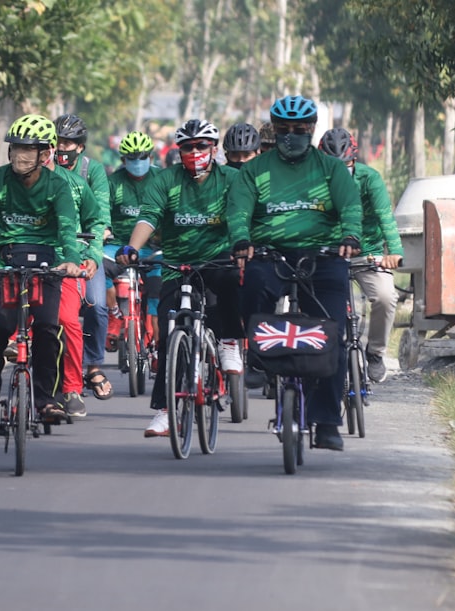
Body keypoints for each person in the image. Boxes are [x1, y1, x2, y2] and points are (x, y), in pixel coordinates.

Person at [227, 95, 363, 452]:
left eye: (299, 130)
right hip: (271, 253)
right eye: (284, 130)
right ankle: (258, 356)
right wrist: (241, 239)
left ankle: (327, 421)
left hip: (324, 255)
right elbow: (239, 210)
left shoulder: (331, 169)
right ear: (274, 129)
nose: (291, 135)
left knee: (332, 331)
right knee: (251, 283)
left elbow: (350, 205)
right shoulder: (255, 170)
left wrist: (350, 235)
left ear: (311, 130)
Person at [116, 119, 244, 438]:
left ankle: (228, 343)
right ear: (179, 150)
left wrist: (244, 245)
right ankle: (164, 410)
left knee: (228, 290)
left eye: (202, 146)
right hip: (176, 263)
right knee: (166, 335)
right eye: (188, 147)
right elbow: (150, 216)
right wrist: (132, 247)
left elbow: (242, 214)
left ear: (214, 149)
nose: (195, 152)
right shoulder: (166, 179)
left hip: (217, 258)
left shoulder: (231, 178)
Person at [0, 114, 82, 424]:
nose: (20, 155)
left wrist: (70, 259)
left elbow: (69, 226)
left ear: (46, 154)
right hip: (3, 261)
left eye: (29, 149)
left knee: (46, 329)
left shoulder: (58, 184)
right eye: (16, 148)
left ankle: (45, 399)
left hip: (46, 264)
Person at [318, 128, 403, 383]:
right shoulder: (313, 183)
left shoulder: (369, 179)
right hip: (328, 253)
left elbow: (385, 217)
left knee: (386, 297)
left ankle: (375, 353)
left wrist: (395, 252)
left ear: (354, 159)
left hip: (368, 255)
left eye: (345, 165)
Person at [41, 132, 107, 418]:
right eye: (22, 149)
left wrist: (91, 255)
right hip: (25, 261)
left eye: (40, 149)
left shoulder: (76, 183)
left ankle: (72, 387)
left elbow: (96, 220)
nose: (32, 156)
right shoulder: (8, 183)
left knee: (70, 320)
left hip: (66, 262)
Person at [54, 113, 114, 401]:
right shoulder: (46, 169)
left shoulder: (93, 171)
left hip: (87, 249)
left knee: (97, 305)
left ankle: (93, 365)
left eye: (68, 143)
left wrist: (93, 251)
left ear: (80, 147)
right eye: (58, 142)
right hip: (53, 248)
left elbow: (99, 215)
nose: (62, 148)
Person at [105, 131, 162, 354]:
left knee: (160, 287)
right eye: (132, 158)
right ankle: (114, 315)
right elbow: (101, 213)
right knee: (96, 266)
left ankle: (158, 340)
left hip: (154, 250)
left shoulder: (162, 180)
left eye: (142, 157)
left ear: (151, 157)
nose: (137, 162)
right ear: (123, 161)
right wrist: (104, 229)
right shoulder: (112, 183)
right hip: (117, 246)